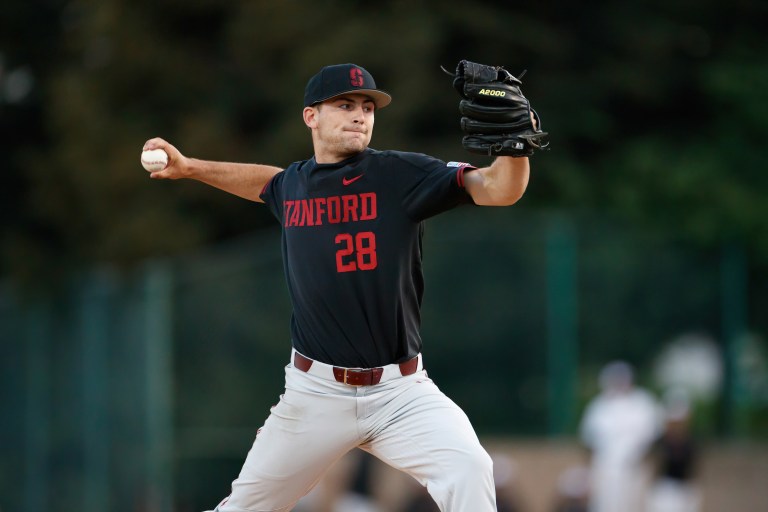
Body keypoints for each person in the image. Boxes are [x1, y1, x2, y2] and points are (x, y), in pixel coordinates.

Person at [142, 63, 534, 512]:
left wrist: (514, 149)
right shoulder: (294, 185)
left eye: (368, 107)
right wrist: (190, 167)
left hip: (401, 393)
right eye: (345, 105)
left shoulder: (399, 175)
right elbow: (264, 183)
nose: (360, 115)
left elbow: (500, 189)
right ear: (311, 116)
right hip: (315, 394)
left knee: (469, 468)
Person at [579, 361, 663, 512]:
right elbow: (589, 442)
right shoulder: (598, 406)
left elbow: (654, 437)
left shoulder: (642, 403)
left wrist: (643, 460)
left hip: (635, 468)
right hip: (605, 469)